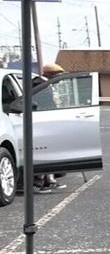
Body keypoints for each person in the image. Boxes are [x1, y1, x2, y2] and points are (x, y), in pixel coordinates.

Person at [33, 63, 68, 194]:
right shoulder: (39, 85)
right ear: (51, 75)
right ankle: (41, 183)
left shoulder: (43, 84)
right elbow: (43, 105)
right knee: (45, 152)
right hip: (42, 123)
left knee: (50, 151)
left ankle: (49, 181)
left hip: (46, 122)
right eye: (58, 76)